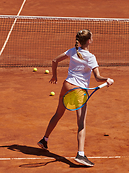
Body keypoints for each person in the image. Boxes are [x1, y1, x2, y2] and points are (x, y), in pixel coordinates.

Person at [37, 29, 114, 167]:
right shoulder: (91, 57)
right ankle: (80, 154)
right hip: (78, 91)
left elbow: (54, 60)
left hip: (66, 86)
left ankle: (44, 139)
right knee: (81, 123)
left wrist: (54, 76)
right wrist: (106, 80)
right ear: (89, 41)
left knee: (58, 114)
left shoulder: (73, 51)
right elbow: (97, 78)